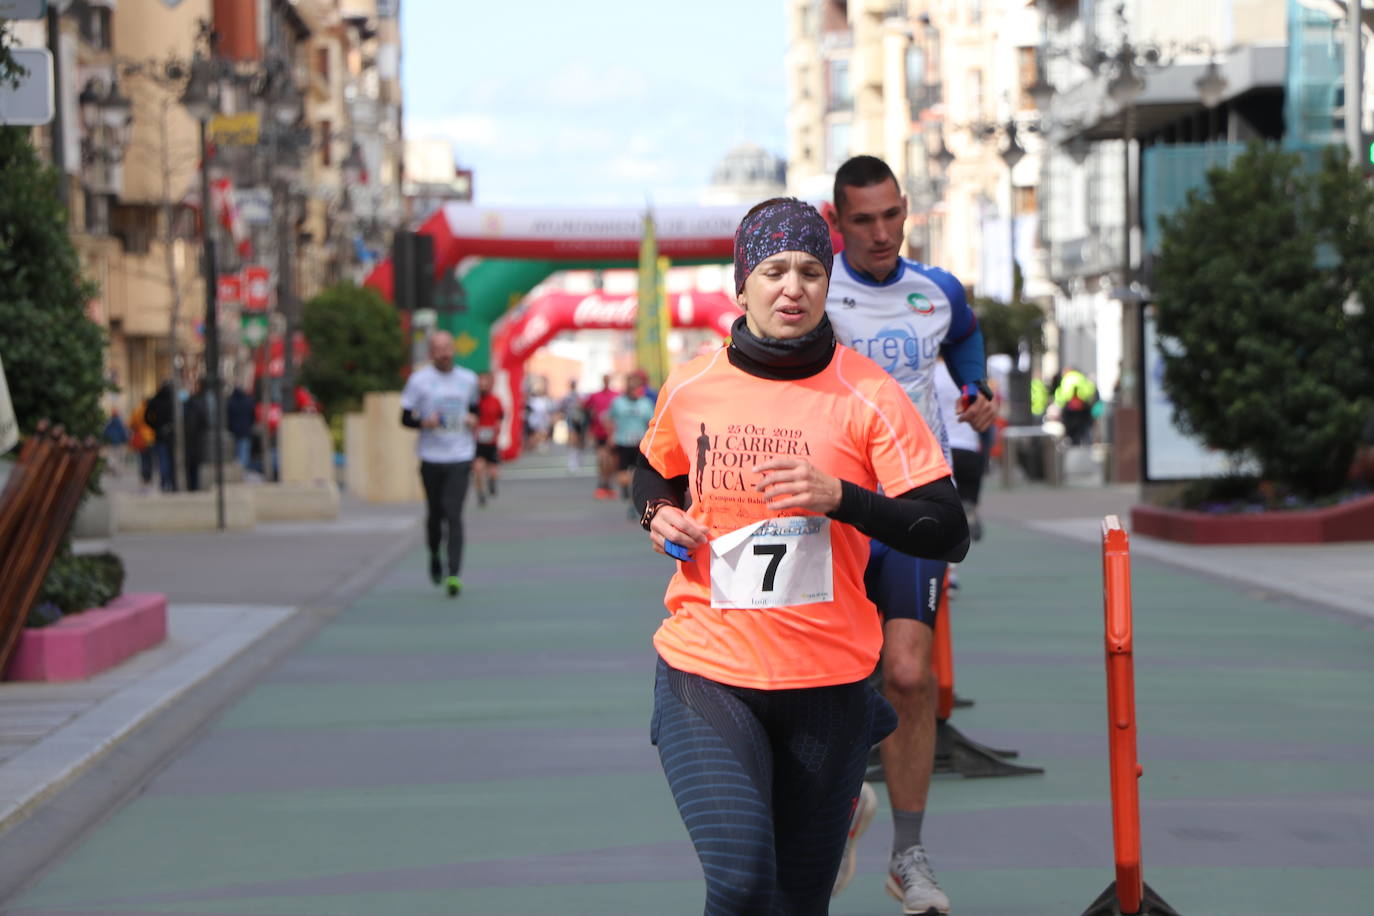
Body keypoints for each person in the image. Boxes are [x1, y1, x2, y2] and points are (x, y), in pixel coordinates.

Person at [634, 197, 969, 915]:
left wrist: (842, 498)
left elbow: (946, 529)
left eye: (812, 271)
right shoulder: (693, 385)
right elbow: (653, 471)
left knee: (794, 901)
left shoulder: (866, 392)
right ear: (743, 284)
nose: (794, 287)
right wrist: (657, 513)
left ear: (827, 284)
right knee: (741, 878)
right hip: (708, 669)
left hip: (829, 685)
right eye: (775, 270)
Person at [825, 154, 996, 915]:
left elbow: (966, 337)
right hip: (830, 505)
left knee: (905, 674)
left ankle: (908, 854)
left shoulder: (937, 291)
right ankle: (838, 809)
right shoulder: (813, 290)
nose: (881, 232)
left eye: (892, 215)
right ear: (839, 224)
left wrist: (977, 391)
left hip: (916, 500)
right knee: (830, 677)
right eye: (863, 220)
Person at [399, 331, 480, 597]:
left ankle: (454, 574)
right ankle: (434, 553)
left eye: (447, 348)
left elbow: (475, 410)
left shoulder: (468, 379)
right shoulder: (419, 381)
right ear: (430, 353)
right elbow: (405, 418)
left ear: (453, 349)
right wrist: (425, 422)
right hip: (431, 457)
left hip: (460, 455)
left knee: (454, 514)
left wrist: (471, 419)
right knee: (436, 515)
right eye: (438, 349)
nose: (444, 353)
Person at [606, 369, 655, 511]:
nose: (635, 391)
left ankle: (633, 493)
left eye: (637, 388)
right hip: (622, 441)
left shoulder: (645, 403)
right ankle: (626, 490)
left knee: (637, 471)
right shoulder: (618, 402)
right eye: (632, 388)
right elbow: (609, 419)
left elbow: (651, 422)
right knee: (622, 471)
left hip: (640, 443)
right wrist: (610, 435)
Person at [583, 374, 619, 499]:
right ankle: (602, 484)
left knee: (612, 461)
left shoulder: (617, 395)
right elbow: (585, 409)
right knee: (602, 458)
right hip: (599, 432)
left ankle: (608, 484)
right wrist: (588, 429)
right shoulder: (595, 396)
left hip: (614, 433)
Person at [472, 371, 504, 507]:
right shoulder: (474, 401)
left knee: (493, 470)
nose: (483, 387)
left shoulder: (496, 401)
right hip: (478, 441)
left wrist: (497, 428)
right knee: (478, 468)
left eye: (486, 384)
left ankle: (492, 481)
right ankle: (480, 494)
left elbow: (501, 417)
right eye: (481, 384)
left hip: (492, 441)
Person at [143, 382, 177, 492]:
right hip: (170, 435)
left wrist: (154, 426)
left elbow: (147, 417)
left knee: (163, 459)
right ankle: (170, 482)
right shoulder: (172, 401)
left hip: (160, 435)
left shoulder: (155, 401)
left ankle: (164, 482)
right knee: (170, 460)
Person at [1054, 366, 1098, 445]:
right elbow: (1089, 391)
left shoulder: (1067, 378)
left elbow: (1062, 394)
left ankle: (1070, 440)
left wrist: (1060, 404)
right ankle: (1086, 441)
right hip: (1082, 407)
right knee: (1085, 425)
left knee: (1069, 425)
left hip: (1070, 407)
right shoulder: (1082, 377)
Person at [558, 379, 587, 472]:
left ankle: (579, 458)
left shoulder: (581, 395)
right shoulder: (567, 397)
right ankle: (572, 461)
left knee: (581, 441)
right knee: (572, 439)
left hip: (581, 421)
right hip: (571, 420)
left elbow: (585, 407)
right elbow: (562, 408)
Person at [226, 385, 256, 472]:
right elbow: (252, 416)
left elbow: (228, 417)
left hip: (234, 432)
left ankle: (238, 470)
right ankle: (243, 471)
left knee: (236, 453)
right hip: (245, 431)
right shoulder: (248, 401)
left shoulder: (230, 403)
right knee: (244, 453)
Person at [129, 399, 156, 491]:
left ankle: (145, 476)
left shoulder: (138, 410)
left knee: (143, 458)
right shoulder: (152, 410)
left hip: (142, 438)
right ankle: (149, 476)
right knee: (150, 458)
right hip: (152, 438)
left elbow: (132, 423)